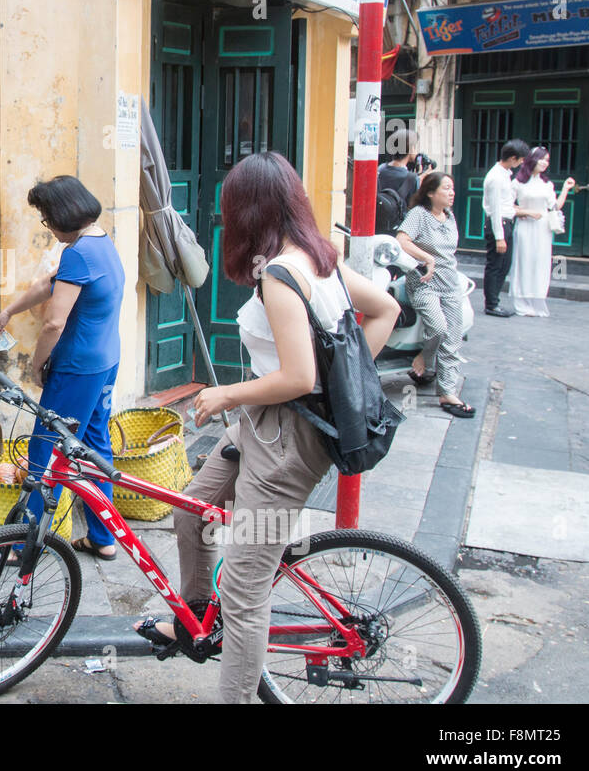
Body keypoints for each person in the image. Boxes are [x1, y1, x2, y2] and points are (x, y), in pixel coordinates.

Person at [134, 151, 397, 704]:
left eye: (230, 208)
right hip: (263, 424)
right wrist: (341, 388)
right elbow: (386, 311)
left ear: (247, 211)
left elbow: (299, 376)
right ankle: (193, 618)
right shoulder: (318, 257)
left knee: (247, 597)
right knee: (191, 511)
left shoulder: (282, 274)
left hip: (286, 444)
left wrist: (230, 392)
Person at [0, 176, 124, 559]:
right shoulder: (100, 243)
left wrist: (37, 364)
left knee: (45, 451)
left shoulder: (78, 253)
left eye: (47, 219)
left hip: (77, 369)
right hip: (105, 363)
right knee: (96, 445)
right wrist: (9, 310)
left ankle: (23, 543)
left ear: (63, 214)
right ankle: (103, 537)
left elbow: (53, 322)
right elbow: (49, 286)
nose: (47, 227)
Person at [395, 172, 475, 417]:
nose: (451, 193)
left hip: (450, 284)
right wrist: (427, 257)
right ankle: (425, 358)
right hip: (424, 282)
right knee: (438, 328)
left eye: (452, 189)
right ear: (431, 192)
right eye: (446, 188)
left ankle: (447, 393)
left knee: (453, 339)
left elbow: (449, 255)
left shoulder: (449, 217)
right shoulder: (419, 215)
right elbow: (401, 240)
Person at [509, 146, 577, 317]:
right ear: (533, 159)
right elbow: (507, 205)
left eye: (547, 160)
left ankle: (538, 302)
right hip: (525, 227)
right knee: (524, 262)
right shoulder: (518, 182)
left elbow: (554, 206)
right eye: (543, 159)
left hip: (543, 229)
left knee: (541, 263)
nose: (545, 163)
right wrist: (524, 212)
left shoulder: (547, 184)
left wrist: (566, 189)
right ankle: (522, 304)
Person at [480, 139, 529, 317]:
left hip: (505, 222)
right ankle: (491, 304)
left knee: (504, 264)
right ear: (513, 158)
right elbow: (495, 209)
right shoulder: (496, 177)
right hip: (499, 223)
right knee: (496, 265)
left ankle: (494, 301)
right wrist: (499, 236)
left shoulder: (504, 174)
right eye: (521, 159)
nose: (522, 163)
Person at [378, 128, 420, 211]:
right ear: (411, 148)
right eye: (416, 147)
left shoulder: (380, 169)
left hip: (378, 221)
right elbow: (414, 209)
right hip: (400, 223)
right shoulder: (412, 178)